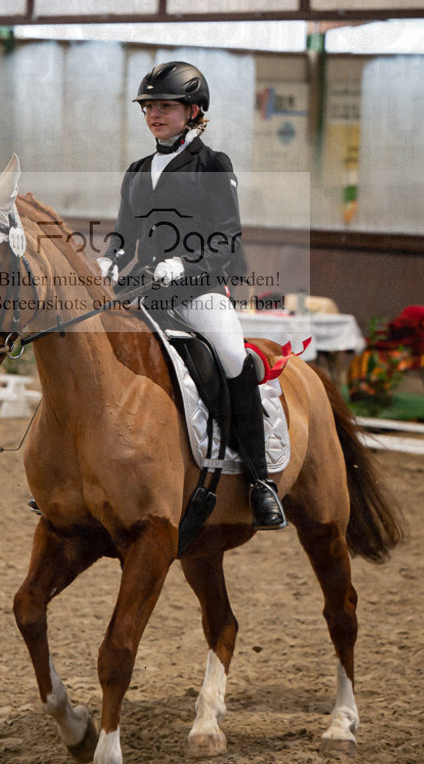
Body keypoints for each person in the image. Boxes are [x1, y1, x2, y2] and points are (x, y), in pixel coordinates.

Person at [98, 61, 287, 530]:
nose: (154, 115)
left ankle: (261, 482)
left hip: (199, 290)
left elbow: (227, 240)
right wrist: (108, 258)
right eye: (148, 108)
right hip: (143, 291)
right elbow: (125, 232)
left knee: (230, 357)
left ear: (193, 111)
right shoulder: (139, 170)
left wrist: (185, 262)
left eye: (165, 107)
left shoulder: (213, 165)